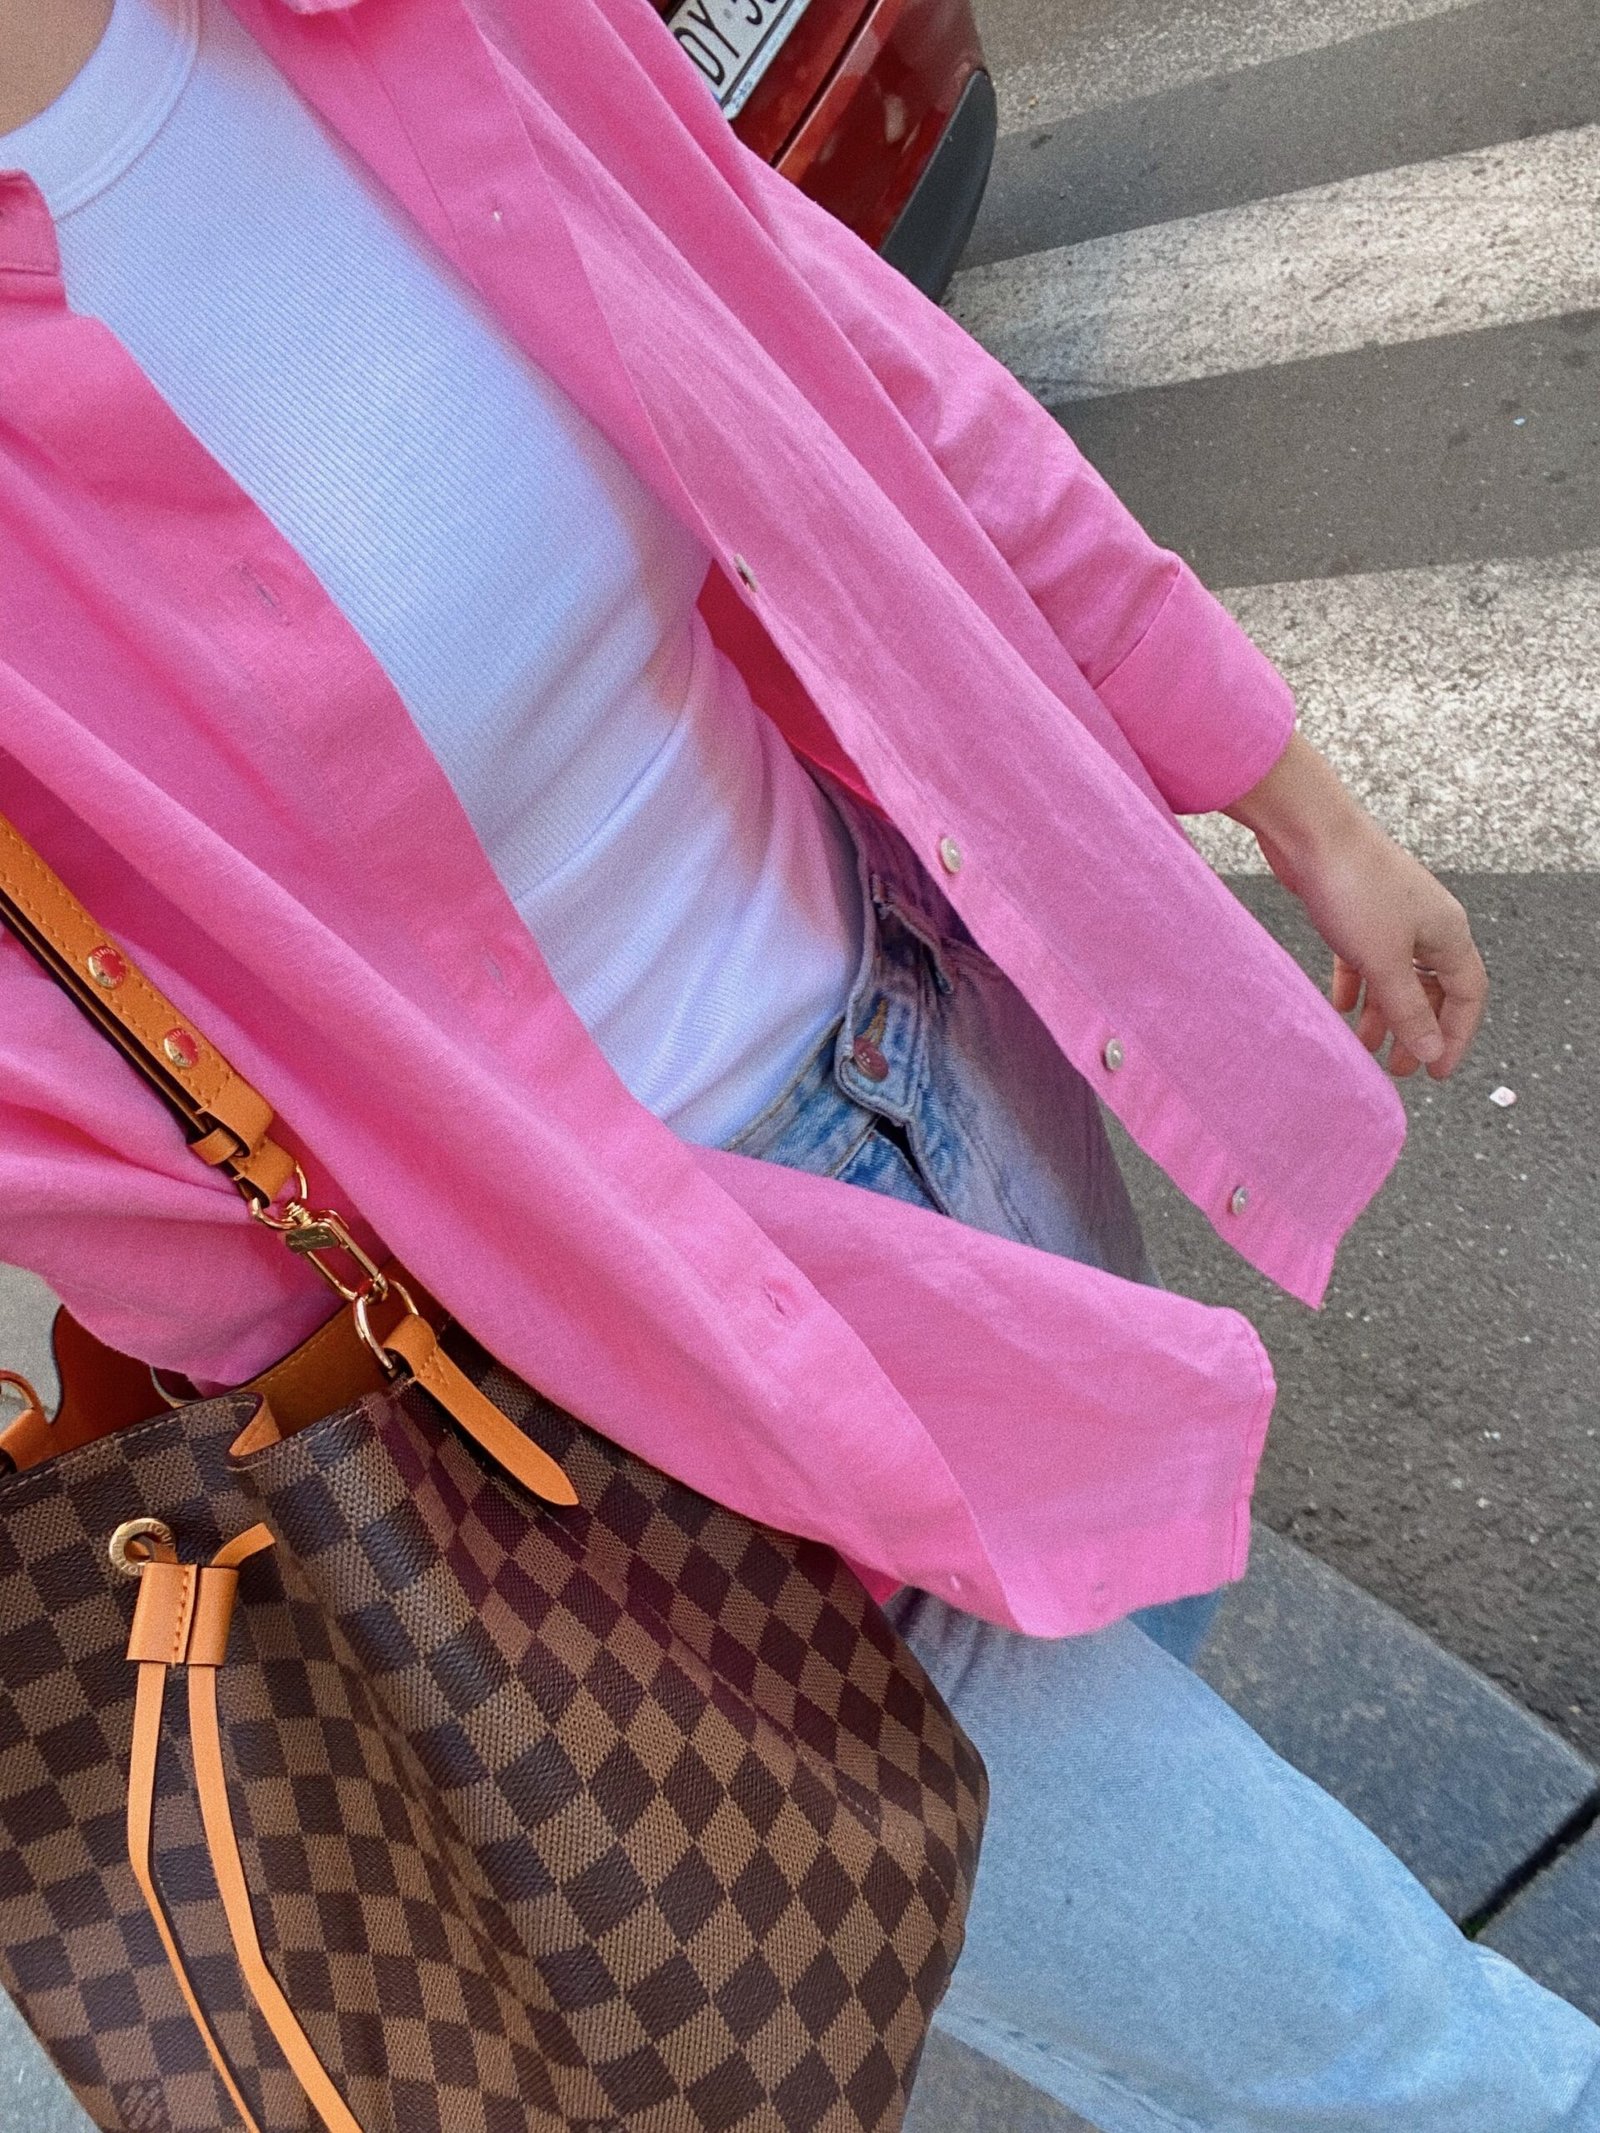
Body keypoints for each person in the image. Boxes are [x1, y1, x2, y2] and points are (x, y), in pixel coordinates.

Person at [0, 0, 1594, 2127]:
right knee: (1396, 2049)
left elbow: (832, 354)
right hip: (629, 1398)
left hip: (927, 1013)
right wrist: (540, 1373)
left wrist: (1277, 779)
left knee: (1142, 1871)